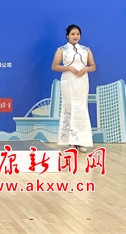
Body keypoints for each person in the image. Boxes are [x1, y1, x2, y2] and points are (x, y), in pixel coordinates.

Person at [51, 24, 96, 153]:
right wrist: (69, 68)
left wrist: (85, 69)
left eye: (78, 34)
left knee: (81, 108)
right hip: (68, 80)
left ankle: (81, 142)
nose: (75, 36)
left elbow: (93, 66)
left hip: (82, 80)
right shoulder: (62, 50)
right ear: (67, 36)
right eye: (73, 34)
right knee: (69, 107)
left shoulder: (86, 50)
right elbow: (54, 66)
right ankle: (70, 142)